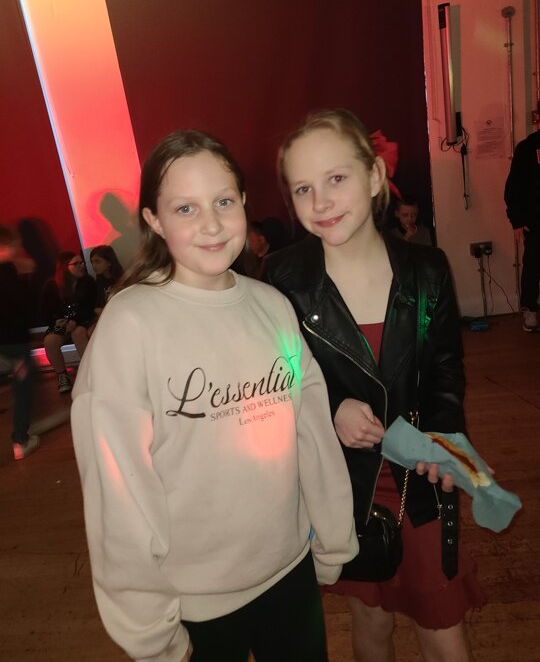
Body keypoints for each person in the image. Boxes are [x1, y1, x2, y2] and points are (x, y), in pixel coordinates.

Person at [70, 129, 358, 662]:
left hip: (290, 576)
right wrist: (150, 632)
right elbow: (118, 491)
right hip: (194, 605)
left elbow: (311, 432)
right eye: (185, 208)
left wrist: (333, 539)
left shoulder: (272, 306)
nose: (210, 224)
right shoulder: (130, 324)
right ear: (154, 220)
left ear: (244, 202)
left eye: (223, 201)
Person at [265, 109, 486, 662]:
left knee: (442, 627)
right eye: (303, 188)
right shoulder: (284, 279)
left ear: (373, 176)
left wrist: (445, 437)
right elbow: (275, 383)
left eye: (336, 178)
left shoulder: (426, 269)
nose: (321, 202)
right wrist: (329, 408)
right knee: (369, 617)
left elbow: (445, 370)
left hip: (419, 474)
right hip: (343, 481)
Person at [0, 226, 39, 460]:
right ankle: (20, 440)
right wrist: (26, 278)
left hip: (7, 344)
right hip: (13, 342)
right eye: (14, 245)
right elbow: (21, 307)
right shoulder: (8, 271)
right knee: (23, 387)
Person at [40, 251, 97, 393]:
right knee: (50, 341)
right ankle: (62, 376)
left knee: (79, 332)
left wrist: (75, 321)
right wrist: (57, 321)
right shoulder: (52, 285)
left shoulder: (88, 282)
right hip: (63, 324)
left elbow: (89, 308)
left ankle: (90, 372)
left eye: (82, 263)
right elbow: (45, 311)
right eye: (76, 263)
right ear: (65, 267)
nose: (81, 266)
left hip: (82, 321)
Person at [504, 129, 540, 332]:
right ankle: (530, 310)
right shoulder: (528, 147)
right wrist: (516, 220)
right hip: (535, 220)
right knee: (533, 264)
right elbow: (514, 185)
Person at [89, 244, 125, 316]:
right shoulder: (99, 282)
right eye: (92, 262)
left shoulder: (121, 280)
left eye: (97, 261)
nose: (94, 266)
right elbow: (98, 305)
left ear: (109, 262)